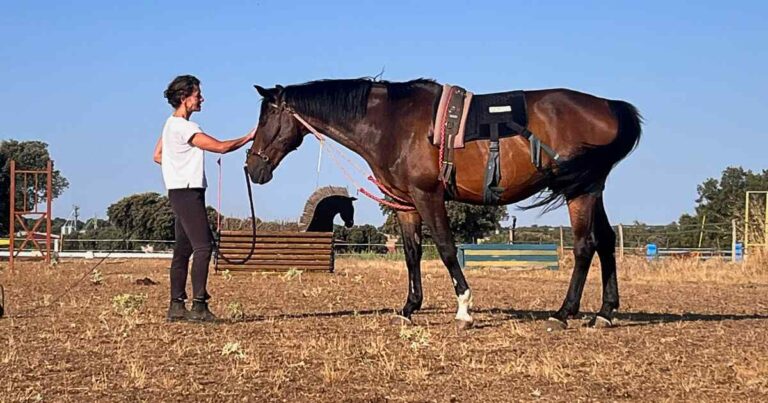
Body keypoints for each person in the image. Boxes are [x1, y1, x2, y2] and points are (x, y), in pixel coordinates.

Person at [153, 75, 255, 322]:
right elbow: (220, 147)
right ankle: (199, 306)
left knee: (183, 250)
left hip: (177, 191)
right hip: (189, 192)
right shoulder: (186, 127)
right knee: (203, 247)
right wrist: (249, 137)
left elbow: (157, 155)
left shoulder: (169, 125)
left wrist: (177, 166)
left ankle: (176, 305)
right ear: (184, 98)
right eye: (197, 95)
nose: (201, 99)